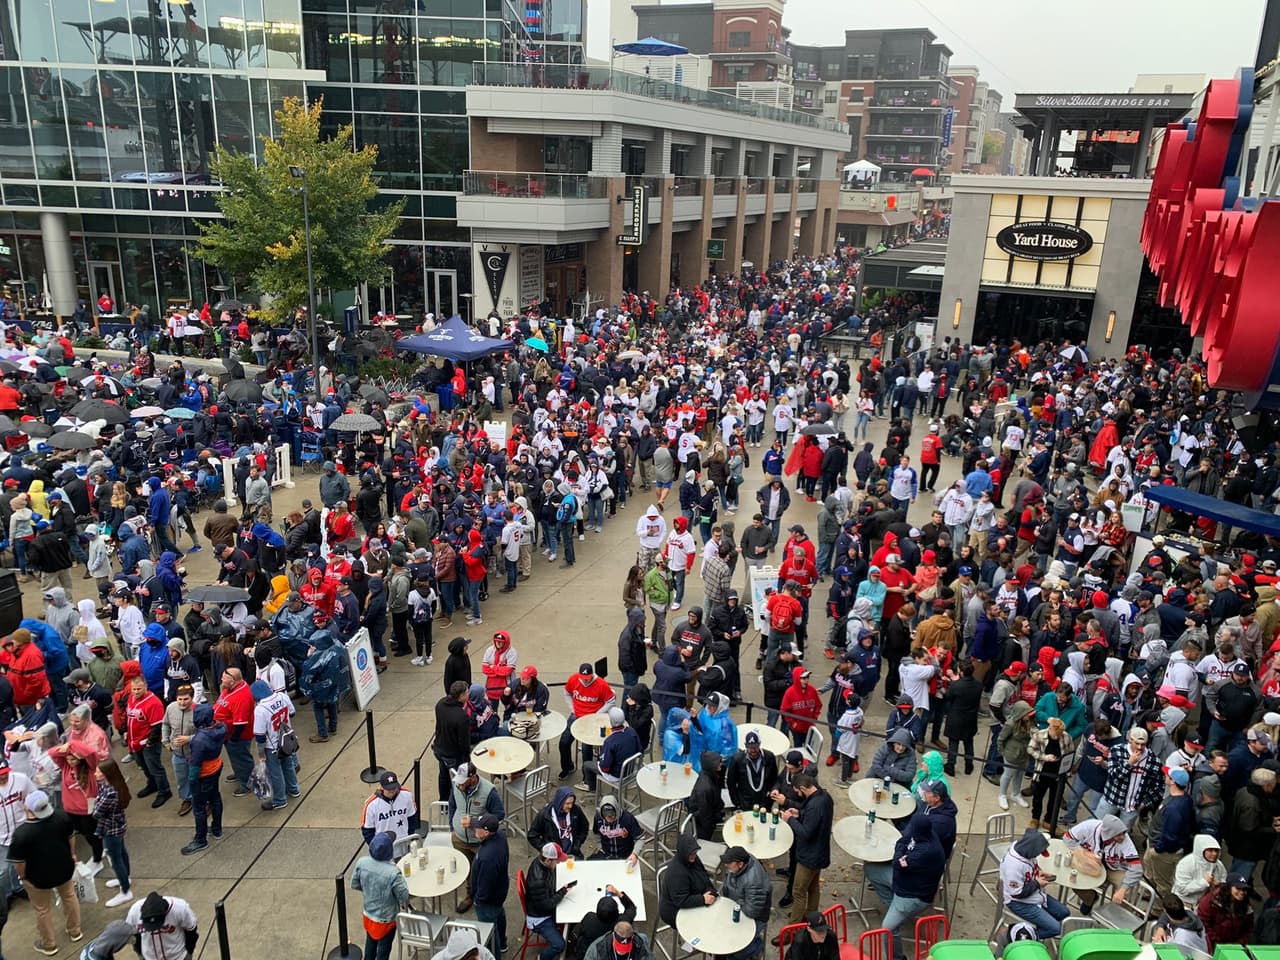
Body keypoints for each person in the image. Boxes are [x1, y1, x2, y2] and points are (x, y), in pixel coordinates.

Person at [8, 789, 81, 956]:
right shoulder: (62, 817)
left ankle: (49, 944)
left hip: (37, 878)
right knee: (69, 897)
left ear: (28, 809)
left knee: (42, 909)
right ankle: (75, 931)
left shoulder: (21, 834)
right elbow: (71, 837)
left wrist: (23, 876)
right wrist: (72, 854)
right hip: (64, 868)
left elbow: (19, 863)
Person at [881, 816, 947, 960]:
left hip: (913, 896)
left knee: (887, 929)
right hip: (902, 881)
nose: (910, 830)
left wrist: (900, 856)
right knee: (872, 870)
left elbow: (897, 863)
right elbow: (902, 841)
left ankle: (897, 958)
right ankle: (894, 907)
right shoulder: (920, 830)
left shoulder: (927, 851)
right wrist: (900, 854)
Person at [1062, 815, 1143, 914]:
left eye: (1124, 833)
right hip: (1089, 863)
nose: (1123, 837)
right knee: (1074, 878)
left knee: (1126, 887)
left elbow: (1137, 868)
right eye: (1118, 835)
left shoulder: (1125, 840)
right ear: (1107, 834)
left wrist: (1123, 889)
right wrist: (1084, 853)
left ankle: (1119, 915)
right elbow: (1067, 838)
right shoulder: (1088, 826)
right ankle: (1090, 899)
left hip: (1114, 869)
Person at [781, 773, 833, 922]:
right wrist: (800, 814)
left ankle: (794, 927)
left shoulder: (814, 806)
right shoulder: (824, 797)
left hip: (810, 856)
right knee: (813, 887)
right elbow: (815, 819)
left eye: (798, 791)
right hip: (821, 852)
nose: (797, 794)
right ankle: (811, 917)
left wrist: (790, 819)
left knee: (798, 891)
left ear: (803, 788)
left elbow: (805, 833)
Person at [1000, 828, 1069, 939]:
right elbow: (1017, 894)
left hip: (1035, 895)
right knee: (1055, 929)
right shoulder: (1013, 867)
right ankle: (1017, 937)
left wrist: (1038, 874)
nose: (1039, 855)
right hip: (1018, 902)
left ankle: (1037, 927)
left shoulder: (1023, 850)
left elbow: (1027, 873)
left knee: (1064, 913)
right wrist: (1037, 883)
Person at [351, 832, 410, 960]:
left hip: (368, 915)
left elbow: (355, 884)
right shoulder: (393, 873)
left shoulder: (362, 863)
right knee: (383, 953)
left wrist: (370, 891)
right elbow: (404, 895)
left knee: (370, 945)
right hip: (387, 920)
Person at [182, 703, 226, 854]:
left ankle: (200, 840)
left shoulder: (199, 740)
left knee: (199, 808)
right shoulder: (220, 728)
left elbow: (195, 765)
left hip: (204, 775)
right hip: (216, 767)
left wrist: (192, 780)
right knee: (215, 799)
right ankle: (217, 829)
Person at [251, 679, 299, 811]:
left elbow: (260, 735)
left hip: (271, 746)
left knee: (275, 773)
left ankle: (280, 800)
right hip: (287, 741)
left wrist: (260, 754)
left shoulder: (260, 709)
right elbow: (292, 713)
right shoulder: (282, 696)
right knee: (288, 765)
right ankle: (294, 790)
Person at [94, 757, 134, 908]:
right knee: (122, 853)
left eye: (98, 771)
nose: (95, 773)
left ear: (106, 773)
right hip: (117, 825)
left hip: (111, 829)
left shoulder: (110, 792)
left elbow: (97, 812)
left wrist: (96, 803)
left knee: (116, 859)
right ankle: (125, 878)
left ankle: (125, 891)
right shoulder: (112, 785)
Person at [720, 845, 771, 960]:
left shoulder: (754, 881)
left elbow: (751, 911)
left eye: (729, 863)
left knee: (736, 949)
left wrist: (736, 903)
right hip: (738, 906)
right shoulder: (741, 863)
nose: (726, 865)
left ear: (740, 864)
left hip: (756, 917)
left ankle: (756, 948)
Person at [470, 813, 510, 956]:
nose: (474, 829)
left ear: (486, 832)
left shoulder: (488, 857)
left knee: (489, 933)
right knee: (499, 916)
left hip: (488, 900)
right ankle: (503, 944)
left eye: (477, 828)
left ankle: (494, 955)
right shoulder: (499, 835)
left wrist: (478, 900)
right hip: (500, 891)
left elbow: (486, 885)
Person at [524, 842, 572, 960]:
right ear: (548, 860)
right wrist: (562, 892)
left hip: (542, 904)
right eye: (557, 860)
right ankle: (541, 958)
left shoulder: (541, 862)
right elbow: (546, 906)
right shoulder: (538, 880)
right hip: (539, 918)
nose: (559, 862)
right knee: (559, 945)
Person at [658, 834, 716, 927]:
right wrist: (703, 899)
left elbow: (704, 876)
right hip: (675, 910)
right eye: (691, 853)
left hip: (694, 898)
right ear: (684, 852)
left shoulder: (693, 859)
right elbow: (681, 900)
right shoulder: (676, 872)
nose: (694, 856)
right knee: (706, 926)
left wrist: (711, 891)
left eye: (695, 852)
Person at [126, 891, 199, 960]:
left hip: (178, 957)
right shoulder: (134, 912)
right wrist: (140, 954)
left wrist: (189, 953)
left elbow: (191, 931)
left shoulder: (180, 908)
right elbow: (133, 936)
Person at [1197, 874, 1256, 949]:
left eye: (1244, 889)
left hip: (1235, 947)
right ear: (1229, 887)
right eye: (1238, 888)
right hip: (1212, 945)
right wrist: (1217, 943)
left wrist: (1238, 944)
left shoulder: (1246, 905)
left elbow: (1248, 928)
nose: (1242, 892)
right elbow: (1203, 924)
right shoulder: (1210, 901)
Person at [360, 771, 420, 845]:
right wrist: (376, 847)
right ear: (381, 787)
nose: (392, 790)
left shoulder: (407, 795)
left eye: (394, 787)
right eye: (388, 788)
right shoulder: (371, 804)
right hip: (383, 847)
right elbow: (367, 830)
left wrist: (409, 836)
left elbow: (412, 818)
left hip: (404, 842)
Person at [529, 787, 589, 858]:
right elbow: (532, 836)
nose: (570, 806)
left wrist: (578, 843)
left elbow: (584, 826)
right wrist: (547, 849)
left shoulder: (576, 810)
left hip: (573, 853)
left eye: (572, 803)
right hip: (554, 858)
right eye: (567, 803)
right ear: (560, 802)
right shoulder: (545, 815)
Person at [1172, 834, 1227, 910]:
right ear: (1201, 850)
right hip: (1185, 905)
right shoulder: (1186, 864)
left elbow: (1224, 883)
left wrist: (1219, 885)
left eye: (1216, 850)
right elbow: (1182, 889)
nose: (1214, 854)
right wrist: (1204, 882)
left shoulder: (1219, 865)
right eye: (1210, 850)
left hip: (1205, 905)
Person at [591, 795, 641, 862]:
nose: (609, 819)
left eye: (612, 816)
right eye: (606, 816)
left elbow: (640, 838)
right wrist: (600, 846)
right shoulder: (598, 817)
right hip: (606, 853)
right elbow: (596, 832)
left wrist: (634, 854)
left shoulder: (628, 818)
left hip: (625, 856)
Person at [582, 921, 649, 960]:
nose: (621, 951)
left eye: (625, 948)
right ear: (613, 935)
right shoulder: (597, 949)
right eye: (619, 947)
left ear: (633, 937)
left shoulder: (641, 942)